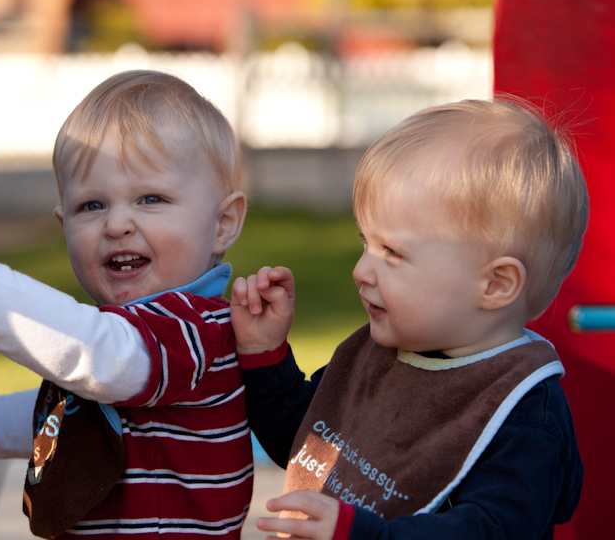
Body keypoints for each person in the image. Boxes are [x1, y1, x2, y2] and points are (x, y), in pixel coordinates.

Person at [0, 70, 254, 538]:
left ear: (223, 223)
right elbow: (66, 414)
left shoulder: (195, 329)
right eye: (91, 206)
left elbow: (99, 359)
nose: (117, 223)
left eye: (151, 198)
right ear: (63, 224)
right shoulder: (132, 334)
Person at [229, 98, 587, 539]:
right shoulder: (381, 356)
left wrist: (367, 535)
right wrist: (264, 355)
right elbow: (307, 447)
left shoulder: (522, 414)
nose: (361, 271)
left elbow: (491, 530)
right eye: (366, 243)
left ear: (495, 284)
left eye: (393, 252)